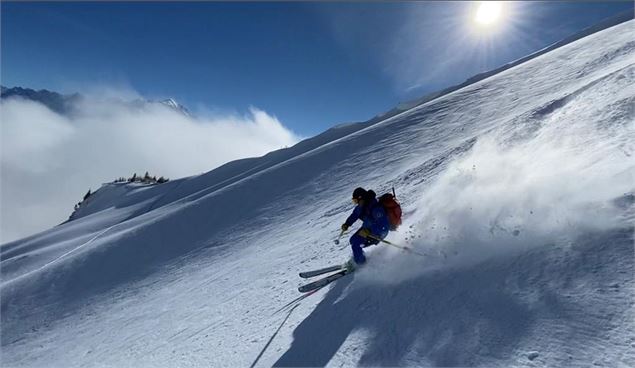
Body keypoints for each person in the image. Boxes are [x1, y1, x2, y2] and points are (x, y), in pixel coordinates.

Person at [341, 187, 390, 269]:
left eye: (356, 201)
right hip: (367, 230)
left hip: (378, 233)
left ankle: (361, 265)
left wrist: (370, 231)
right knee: (353, 240)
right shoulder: (362, 206)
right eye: (354, 201)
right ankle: (360, 257)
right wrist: (347, 224)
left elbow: (384, 226)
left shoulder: (376, 208)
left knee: (356, 244)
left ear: (361, 198)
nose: (356, 203)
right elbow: (355, 215)